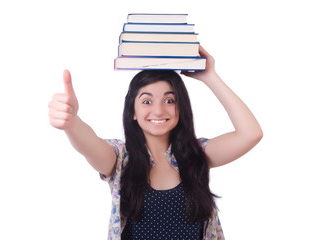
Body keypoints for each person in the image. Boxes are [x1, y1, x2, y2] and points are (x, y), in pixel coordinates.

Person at [48, 46, 263, 240]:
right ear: (133, 111)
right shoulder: (121, 158)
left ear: (181, 107)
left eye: (169, 100)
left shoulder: (196, 154)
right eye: (147, 101)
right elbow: (90, 145)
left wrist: (210, 77)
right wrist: (72, 123)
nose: (158, 110)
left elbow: (250, 134)